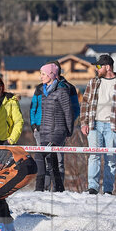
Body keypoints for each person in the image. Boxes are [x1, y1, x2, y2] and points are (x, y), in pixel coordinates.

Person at [80, 54, 116, 195]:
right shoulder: (93, 83)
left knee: (110, 158)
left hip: (111, 126)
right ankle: (93, 187)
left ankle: (108, 189)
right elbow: (85, 103)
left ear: (107, 67)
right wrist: (83, 123)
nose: (96, 69)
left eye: (98, 66)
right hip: (94, 125)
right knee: (94, 155)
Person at [30, 62, 74, 192]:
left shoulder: (62, 92)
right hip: (45, 132)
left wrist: (68, 131)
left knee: (40, 155)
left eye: (43, 74)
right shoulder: (43, 93)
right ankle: (59, 188)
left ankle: (39, 188)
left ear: (51, 75)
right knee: (51, 159)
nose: (41, 77)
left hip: (57, 131)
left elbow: (68, 112)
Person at [0, 74, 24, 146]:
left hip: (5, 141)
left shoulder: (11, 101)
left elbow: (18, 121)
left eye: (0, 84)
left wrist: (11, 140)